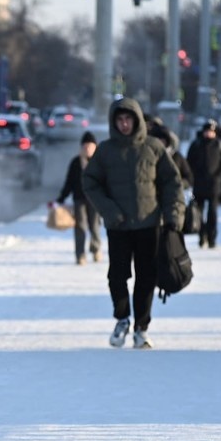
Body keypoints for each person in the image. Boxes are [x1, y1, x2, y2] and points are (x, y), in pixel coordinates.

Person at [82, 98, 184, 350]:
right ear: (114, 122)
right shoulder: (105, 151)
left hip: (149, 224)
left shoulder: (153, 147)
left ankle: (142, 327)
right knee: (117, 275)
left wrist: (173, 217)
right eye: (120, 119)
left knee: (146, 277)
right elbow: (90, 182)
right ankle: (122, 319)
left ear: (137, 120)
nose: (124, 123)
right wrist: (109, 211)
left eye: (128, 119)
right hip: (118, 225)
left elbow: (172, 183)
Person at [55, 131, 102, 265]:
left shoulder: (99, 162)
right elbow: (69, 182)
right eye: (85, 146)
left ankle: (96, 248)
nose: (87, 148)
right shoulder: (76, 162)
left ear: (95, 147)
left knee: (94, 226)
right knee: (80, 226)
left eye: (90, 146)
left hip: (95, 200)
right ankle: (80, 254)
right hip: (79, 199)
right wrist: (61, 198)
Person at [186, 119, 221, 248]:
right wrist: (192, 177)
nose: (209, 134)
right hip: (199, 184)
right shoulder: (196, 144)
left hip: (214, 185)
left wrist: (219, 176)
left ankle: (212, 237)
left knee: (212, 213)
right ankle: (202, 235)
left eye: (211, 132)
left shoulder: (219, 145)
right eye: (207, 131)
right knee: (199, 213)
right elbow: (189, 163)